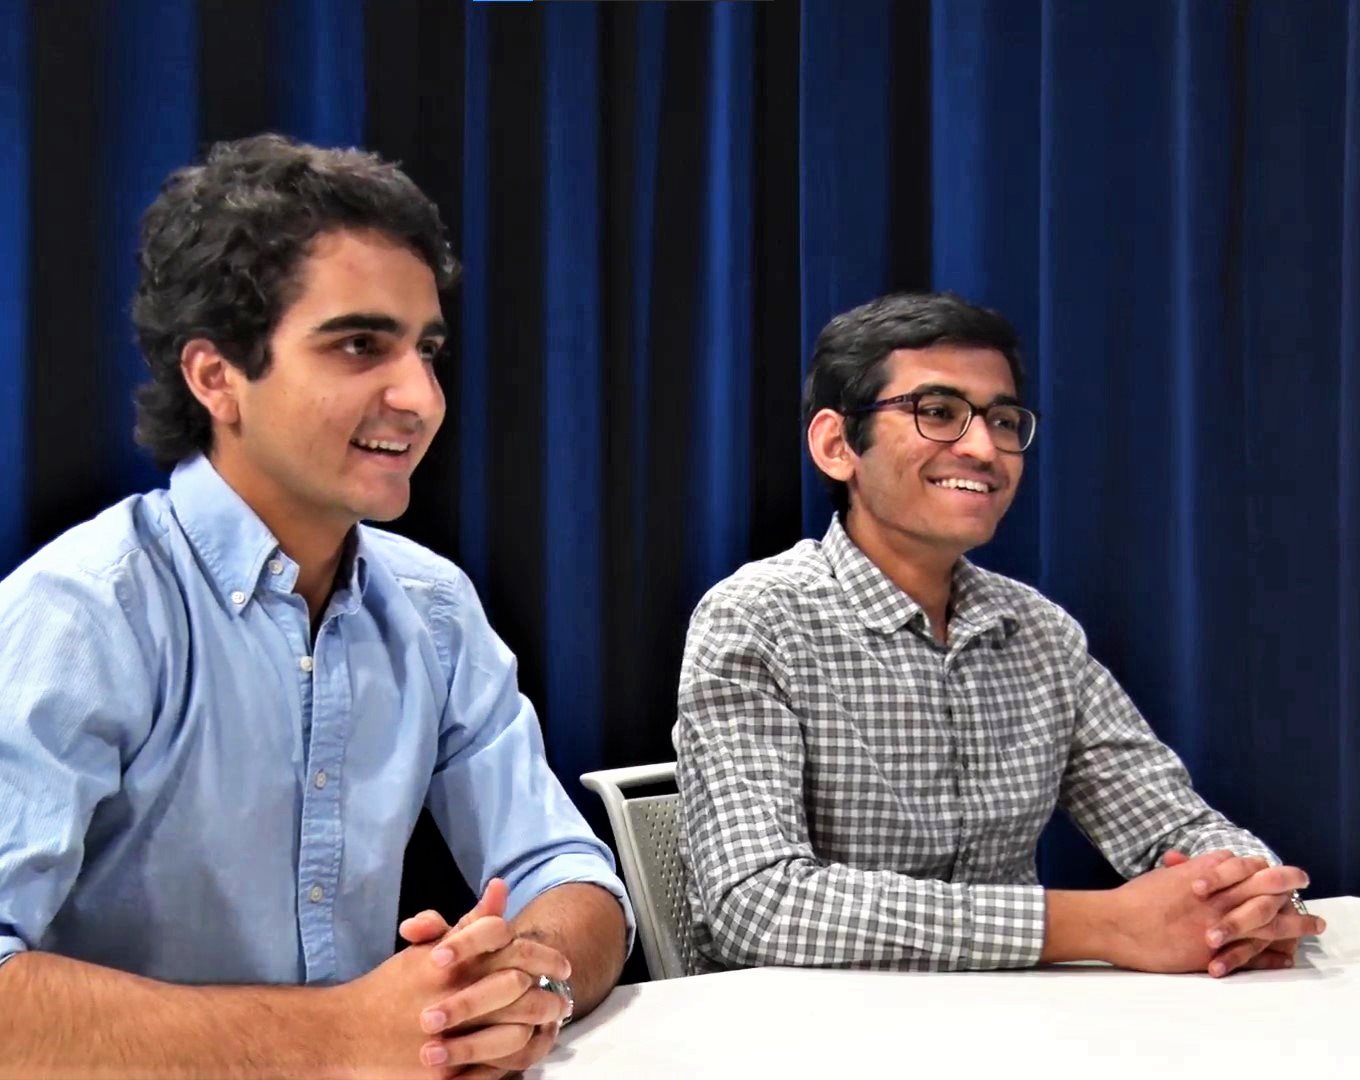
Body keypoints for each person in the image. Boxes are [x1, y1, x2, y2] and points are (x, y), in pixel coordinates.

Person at [0, 135, 631, 1078]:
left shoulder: (435, 606)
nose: (419, 397)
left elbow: (574, 879)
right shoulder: (84, 611)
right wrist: (340, 1032)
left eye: (426, 351)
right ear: (215, 377)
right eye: (358, 345)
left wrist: (514, 990)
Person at [675, 291, 1325, 978]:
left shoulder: (1039, 632)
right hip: (813, 1035)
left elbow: (1173, 824)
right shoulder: (757, 617)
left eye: (1004, 419)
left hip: (1019, 1027)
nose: (984, 447)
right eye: (937, 413)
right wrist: (1101, 924)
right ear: (837, 445)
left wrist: (1251, 896)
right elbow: (756, 905)